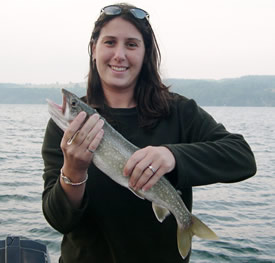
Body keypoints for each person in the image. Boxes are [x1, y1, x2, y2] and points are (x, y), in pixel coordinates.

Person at [41, 3, 257, 263]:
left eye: (131, 45)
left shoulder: (180, 112)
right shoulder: (65, 129)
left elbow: (242, 157)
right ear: (94, 49)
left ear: (145, 54)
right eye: (110, 42)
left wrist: (172, 156)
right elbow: (59, 220)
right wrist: (74, 171)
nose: (119, 54)